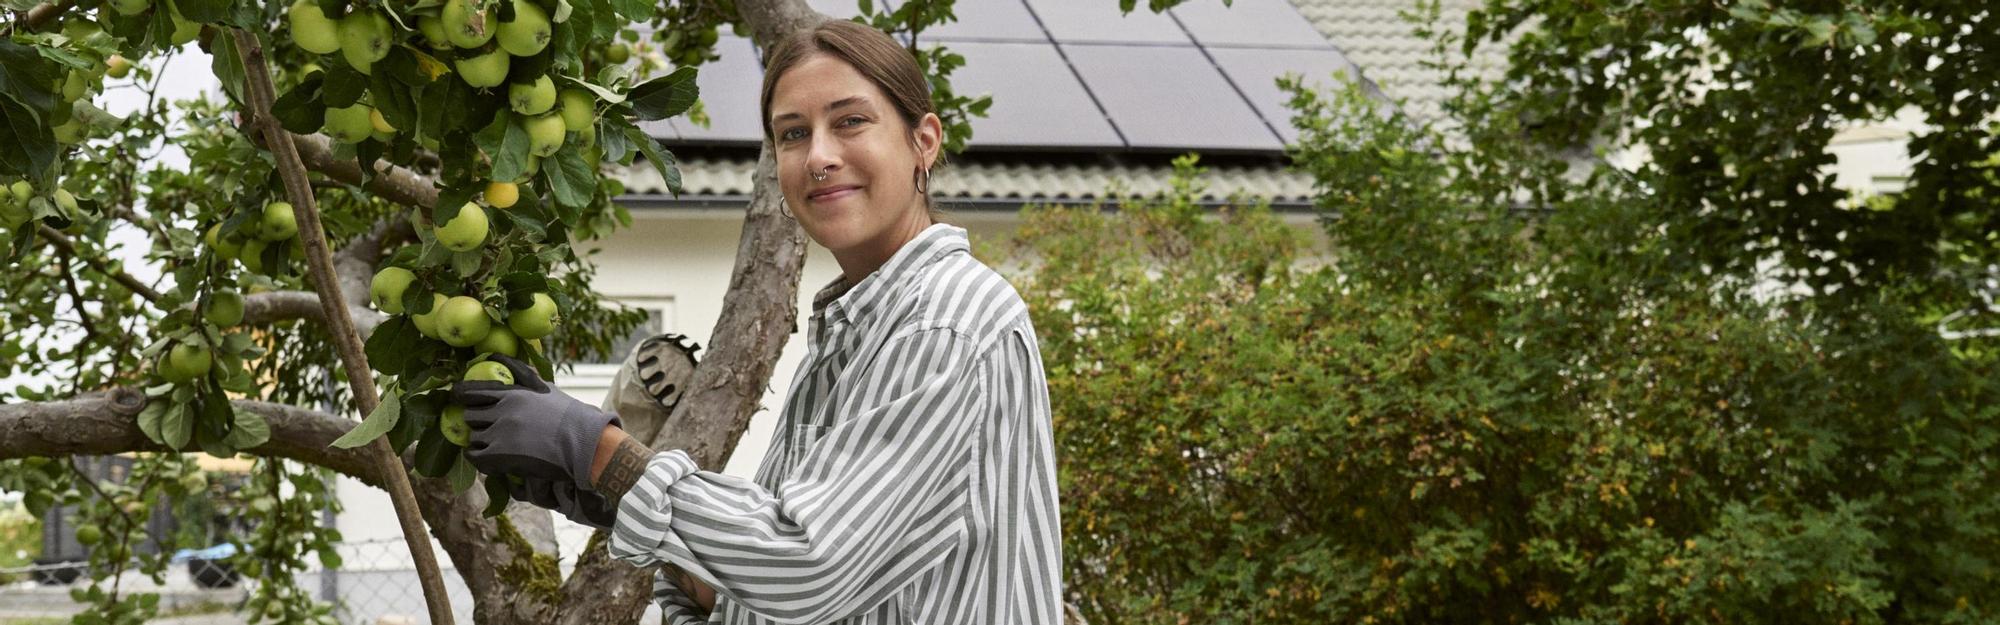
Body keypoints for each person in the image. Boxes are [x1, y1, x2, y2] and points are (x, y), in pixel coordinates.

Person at [451, 18, 1063, 625]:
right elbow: (788, 596)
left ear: (923, 141)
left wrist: (601, 453)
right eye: (793, 134)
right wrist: (621, 504)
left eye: (850, 121)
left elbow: (809, 566)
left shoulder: (944, 322)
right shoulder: (858, 330)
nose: (819, 156)